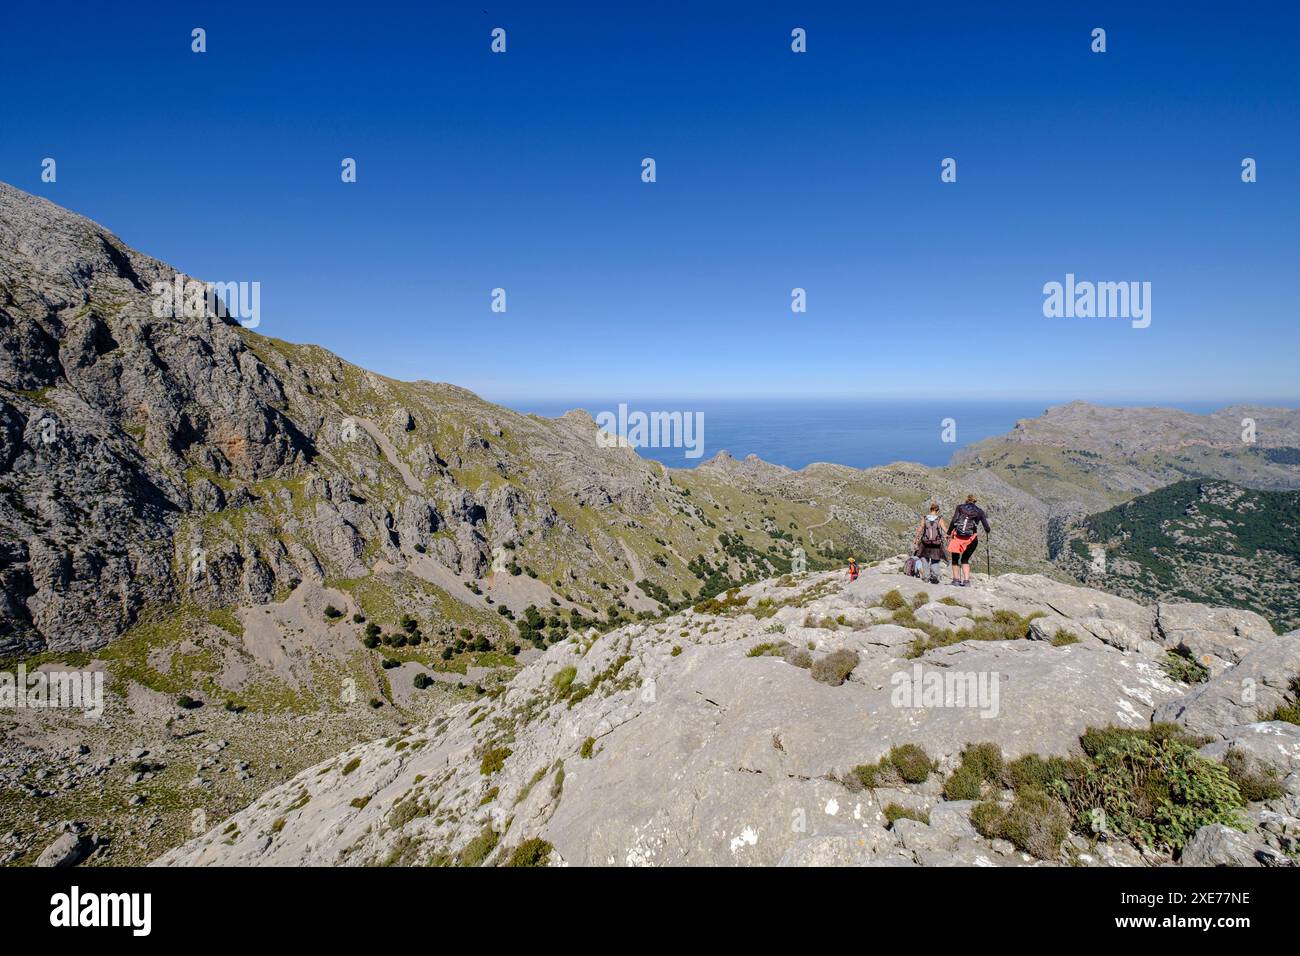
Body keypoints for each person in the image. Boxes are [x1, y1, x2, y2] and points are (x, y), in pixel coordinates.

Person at [947, 495, 990, 587]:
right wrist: (987, 530)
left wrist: (948, 532)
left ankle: (956, 581)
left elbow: (953, 520)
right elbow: (987, 527)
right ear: (975, 501)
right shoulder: (980, 511)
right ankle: (966, 581)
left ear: (966, 500)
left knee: (955, 559)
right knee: (965, 559)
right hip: (971, 539)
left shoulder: (960, 507)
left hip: (957, 538)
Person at [913, 503, 948, 585]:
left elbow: (920, 529)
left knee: (924, 559)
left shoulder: (924, 518)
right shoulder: (939, 519)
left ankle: (926, 577)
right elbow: (945, 530)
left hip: (925, 543)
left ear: (930, 509)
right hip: (936, 543)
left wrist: (916, 538)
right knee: (935, 560)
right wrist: (949, 536)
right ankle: (935, 576)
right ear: (937, 510)